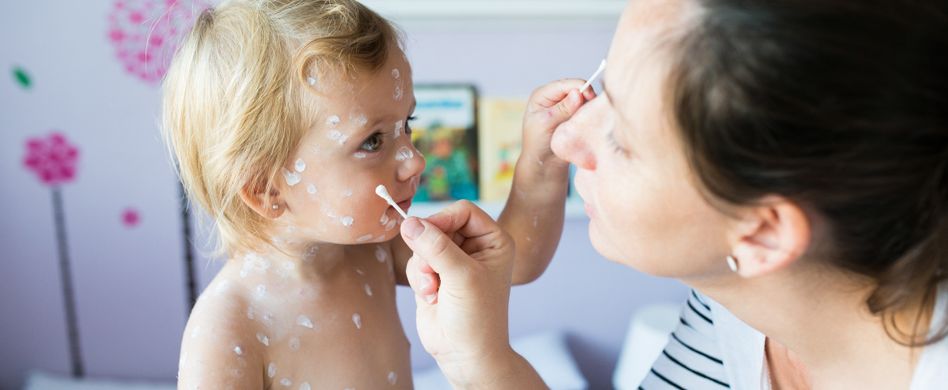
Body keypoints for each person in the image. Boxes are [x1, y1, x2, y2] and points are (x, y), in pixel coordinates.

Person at [400, 0, 948, 388]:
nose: (564, 140)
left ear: (762, 232)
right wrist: (476, 358)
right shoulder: (733, 306)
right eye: (603, 90)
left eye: (622, 139)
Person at [161, 0, 592, 388]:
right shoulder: (228, 328)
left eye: (408, 124)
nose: (415, 160)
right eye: (372, 142)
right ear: (268, 190)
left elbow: (513, 262)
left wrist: (543, 158)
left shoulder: (374, 251)